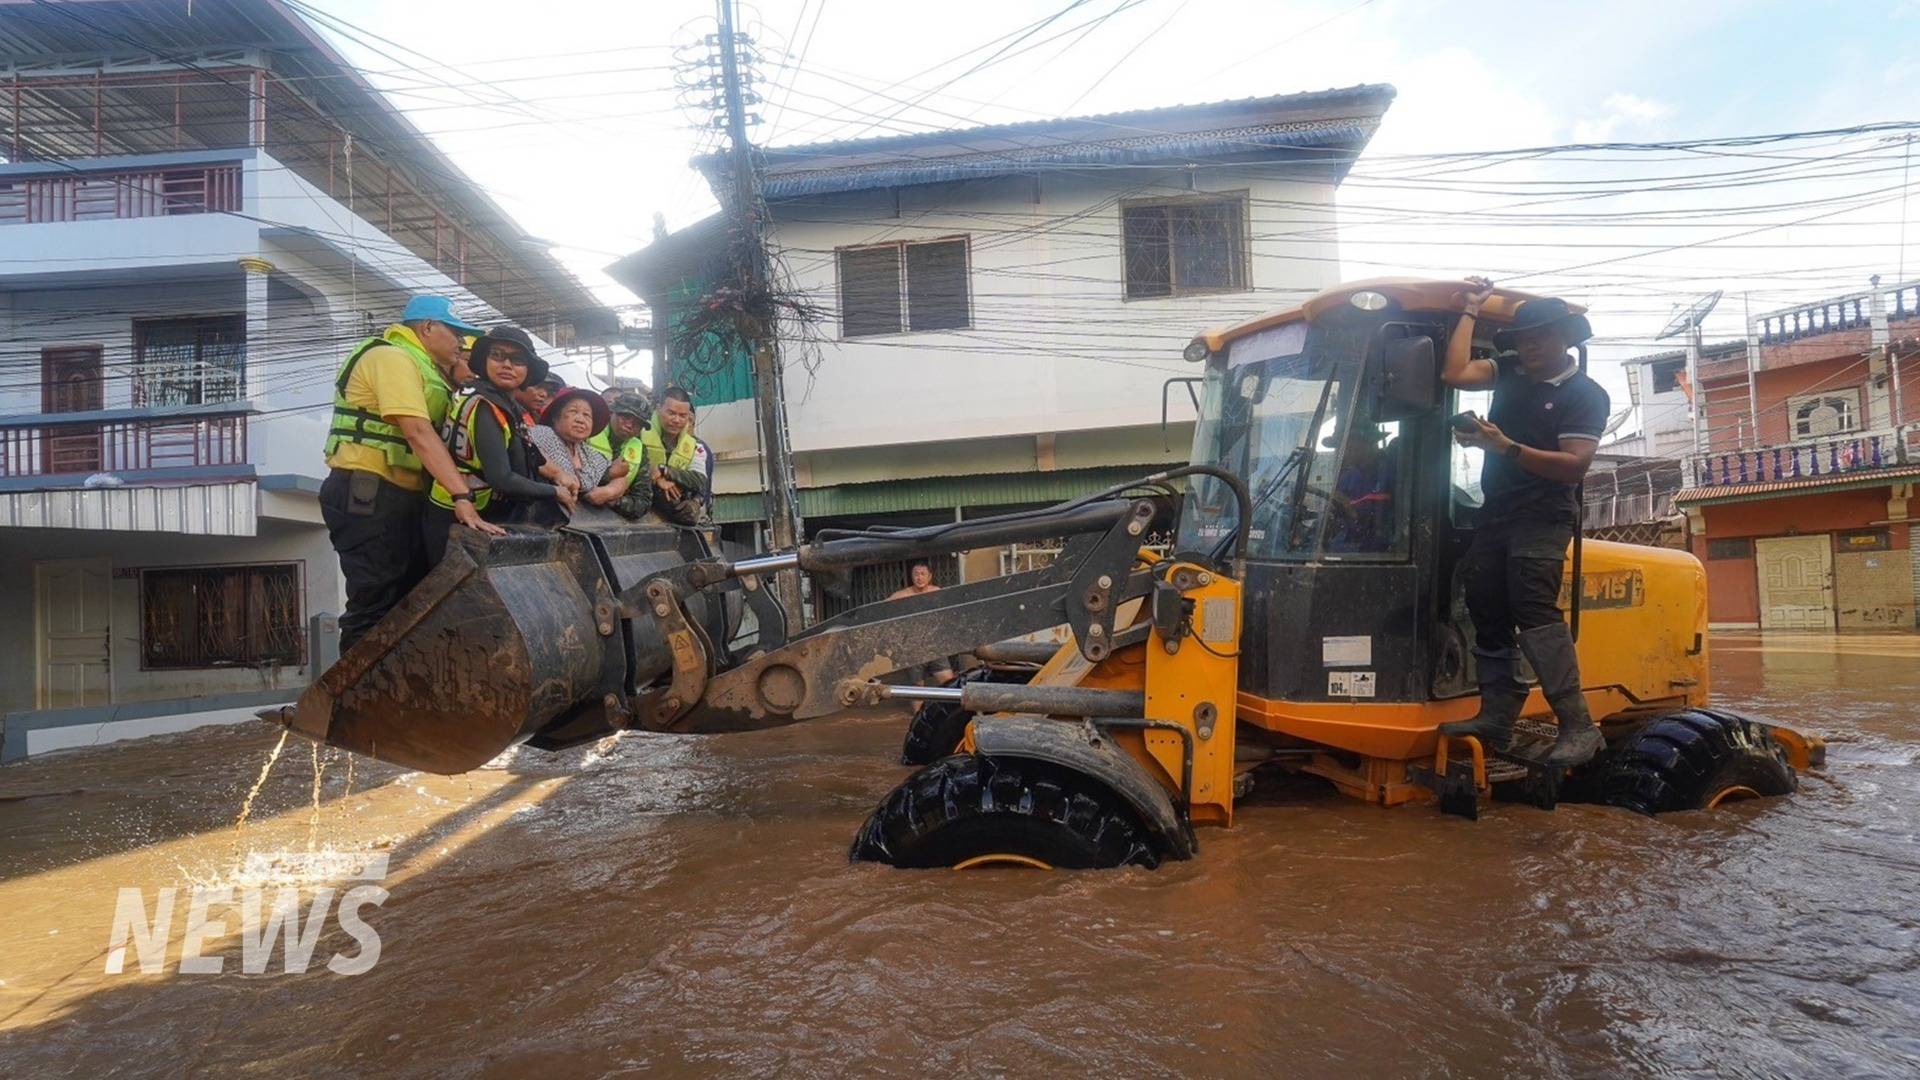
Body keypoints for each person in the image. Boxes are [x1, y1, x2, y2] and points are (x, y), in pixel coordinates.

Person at [1438, 278, 1611, 767]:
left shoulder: (1585, 394)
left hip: (1543, 516)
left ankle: (1578, 724)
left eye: (1540, 337)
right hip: (1498, 510)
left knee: (1532, 606)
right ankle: (1498, 713)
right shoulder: (1510, 371)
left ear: (1566, 338)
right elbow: (1455, 372)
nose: (1529, 347)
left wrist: (1505, 447)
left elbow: (1574, 464)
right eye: (1523, 339)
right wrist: (1469, 310)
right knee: (1486, 604)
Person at [321, 294, 504, 651]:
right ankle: (352, 702)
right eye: (456, 334)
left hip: (400, 496)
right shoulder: (391, 357)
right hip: (367, 492)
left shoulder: (427, 370)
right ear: (428, 327)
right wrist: (462, 497)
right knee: (374, 604)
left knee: (409, 602)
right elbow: (417, 432)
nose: (461, 344)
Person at [422, 326, 575, 564]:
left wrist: (558, 474)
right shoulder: (486, 407)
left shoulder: (503, 404)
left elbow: (524, 452)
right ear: (484, 361)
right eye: (497, 355)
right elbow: (501, 478)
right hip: (455, 517)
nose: (506, 364)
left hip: (474, 513)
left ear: (528, 370)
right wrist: (555, 491)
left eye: (517, 360)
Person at [525, 387, 622, 524]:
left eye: (587, 415)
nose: (580, 420)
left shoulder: (587, 451)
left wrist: (611, 488)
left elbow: (616, 475)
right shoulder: (541, 434)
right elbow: (576, 480)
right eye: (573, 411)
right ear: (555, 417)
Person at [639, 386, 709, 524]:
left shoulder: (696, 447)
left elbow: (700, 480)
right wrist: (657, 480)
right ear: (658, 409)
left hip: (674, 507)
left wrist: (664, 470)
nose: (677, 420)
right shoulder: (639, 433)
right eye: (671, 413)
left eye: (682, 416)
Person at [889, 561, 955, 685]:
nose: (919, 577)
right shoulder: (902, 595)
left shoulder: (936, 592)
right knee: (917, 688)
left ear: (930, 576)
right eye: (916, 574)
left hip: (934, 646)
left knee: (949, 681)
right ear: (911, 576)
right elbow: (883, 608)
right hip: (914, 648)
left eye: (923, 574)